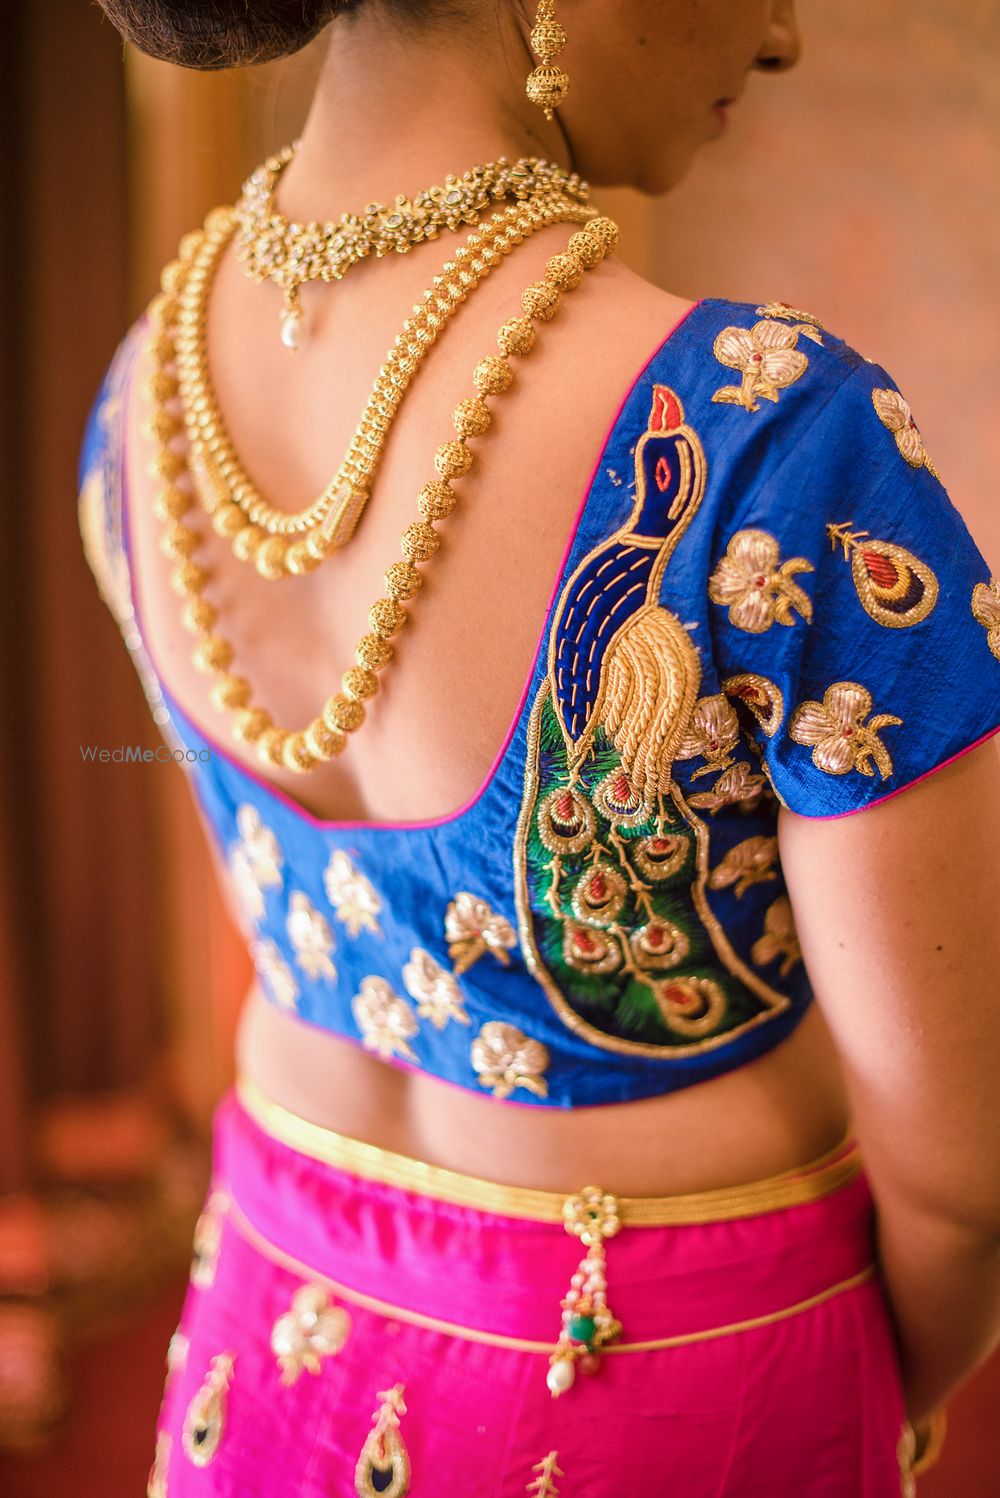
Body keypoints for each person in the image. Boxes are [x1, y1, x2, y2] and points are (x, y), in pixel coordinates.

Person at [78, 2, 1000, 1493]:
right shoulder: (779, 447)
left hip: (267, 1342)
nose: (782, 38)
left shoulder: (139, 393)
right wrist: (875, 1402)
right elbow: (967, 1182)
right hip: (669, 1385)